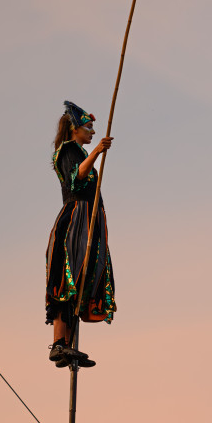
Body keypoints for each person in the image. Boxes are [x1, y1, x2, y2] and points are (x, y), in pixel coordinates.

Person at [45, 100, 117, 368]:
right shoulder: (68, 151)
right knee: (68, 276)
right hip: (76, 220)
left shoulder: (78, 150)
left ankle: (68, 346)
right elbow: (76, 179)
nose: (92, 132)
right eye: (88, 127)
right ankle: (60, 343)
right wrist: (97, 151)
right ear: (75, 129)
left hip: (89, 219)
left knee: (82, 277)